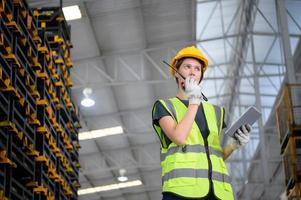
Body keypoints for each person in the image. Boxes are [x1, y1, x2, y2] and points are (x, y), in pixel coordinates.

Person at [152, 46, 251, 200]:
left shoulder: (216, 112)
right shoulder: (164, 106)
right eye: (187, 67)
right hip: (181, 192)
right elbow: (179, 137)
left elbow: (210, 157)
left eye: (197, 69)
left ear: (200, 77)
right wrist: (193, 101)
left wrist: (233, 145)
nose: (192, 72)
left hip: (219, 194)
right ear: (176, 73)